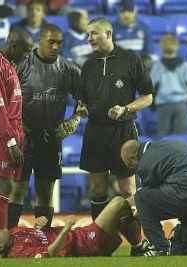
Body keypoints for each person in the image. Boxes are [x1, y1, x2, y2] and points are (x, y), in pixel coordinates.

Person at [78, 17, 153, 221]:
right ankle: (99, 241)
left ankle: (138, 243)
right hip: (95, 132)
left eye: (94, 33)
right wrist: (82, 109)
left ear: (108, 34)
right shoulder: (87, 65)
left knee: (128, 189)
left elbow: (148, 97)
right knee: (97, 188)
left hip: (123, 131)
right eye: (88, 34)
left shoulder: (131, 59)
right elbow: (82, 102)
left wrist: (126, 108)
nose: (89, 38)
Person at [13, 23, 83, 229]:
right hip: (23, 135)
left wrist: (74, 120)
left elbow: (85, 98)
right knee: (17, 189)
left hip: (52, 137)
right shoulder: (21, 65)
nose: (55, 46)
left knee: (45, 192)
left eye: (59, 43)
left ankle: (41, 240)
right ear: (39, 41)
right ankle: (8, 240)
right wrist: (15, 125)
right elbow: (5, 99)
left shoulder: (68, 69)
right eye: (50, 42)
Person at [0, 28, 33, 230]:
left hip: (11, 131)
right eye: (25, 50)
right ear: (13, 45)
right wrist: (11, 142)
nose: (27, 55)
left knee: (8, 185)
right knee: (3, 185)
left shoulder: (8, 64)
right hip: (0, 133)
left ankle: (5, 237)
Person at [0, 196, 144, 258]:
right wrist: (66, 229)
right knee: (118, 203)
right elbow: (49, 254)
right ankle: (148, 198)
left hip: (81, 235)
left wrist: (42, 223)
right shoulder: (17, 253)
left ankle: (139, 246)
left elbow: (40, 237)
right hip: (82, 245)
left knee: (123, 215)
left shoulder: (14, 232)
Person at [150, 34, 187, 137]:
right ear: (177, 47)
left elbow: (152, 89)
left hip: (163, 106)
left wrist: (153, 106)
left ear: (161, 48)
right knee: (181, 138)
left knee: (163, 138)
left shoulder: (157, 66)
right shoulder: (184, 66)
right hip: (181, 105)